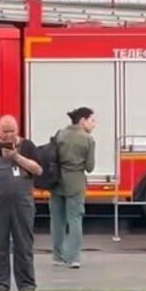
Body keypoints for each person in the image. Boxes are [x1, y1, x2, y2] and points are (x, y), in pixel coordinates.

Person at [0, 114, 43, 291]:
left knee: (24, 246)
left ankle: (27, 286)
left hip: (23, 205)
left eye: (11, 131)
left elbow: (38, 169)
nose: (8, 135)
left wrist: (16, 157)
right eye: (4, 132)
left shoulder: (28, 147)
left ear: (17, 130)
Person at [50, 107, 97, 269]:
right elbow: (90, 167)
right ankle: (74, 257)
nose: (94, 124)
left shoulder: (60, 134)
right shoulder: (88, 140)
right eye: (92, 120)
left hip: (56, 181)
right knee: (75, 219)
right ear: (82, 120)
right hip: (76, 182)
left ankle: (57, 256)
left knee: (57, 221)